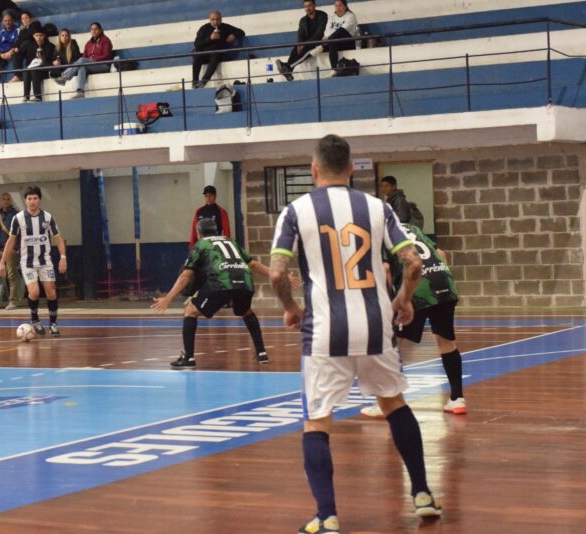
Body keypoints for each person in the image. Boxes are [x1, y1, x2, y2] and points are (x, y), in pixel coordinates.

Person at [269, 134, 441, 533]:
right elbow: (413, 263)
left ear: (313, 170)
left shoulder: (296, 210)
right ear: (351, 169)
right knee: (394, 404)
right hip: (377, 326)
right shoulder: (377, 207)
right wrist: (403, 298)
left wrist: (290, 308)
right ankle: (421, 493)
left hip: (326, 331)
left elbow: (277, 271)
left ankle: (327, 515)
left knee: (317, 421)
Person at [153, 218, 295, 367]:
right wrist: (280, 275)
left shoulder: (200, 245)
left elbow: (185, 276)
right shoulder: (230, 241)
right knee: (246, 311)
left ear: (198, 234)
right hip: (245, 281)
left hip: (220, 283)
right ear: (217, 231)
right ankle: (261, 353)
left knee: (190, 311)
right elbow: (253, 264)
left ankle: (188, 357)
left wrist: (168, 298)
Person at [362, 223, 465, 418]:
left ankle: (388, 402)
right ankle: (457, 399)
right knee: (446, 341)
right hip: (444, 282)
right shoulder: (411, 227)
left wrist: (390, 301)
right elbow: (441, 254)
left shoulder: (380, 232)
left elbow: (385, 269)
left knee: (394, 345)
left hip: (418, 288)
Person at [0, 186, 67, 336]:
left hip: (45, 261)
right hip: (27, 262)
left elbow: (58, 238)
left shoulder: (48, 217)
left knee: (51, 292)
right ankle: (34, 318)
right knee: (34, 292)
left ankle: (53, 323)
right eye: (29, 199)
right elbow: (11, 241)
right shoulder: (18, 218)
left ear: (40, 200)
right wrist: (2, 262)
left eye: (35, 198)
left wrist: (63, 257)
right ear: (25, 200)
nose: (32, 201)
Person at [54, 22, 112, 99]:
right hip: (91, 65)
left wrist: (94, 58)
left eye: (96, 29)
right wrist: (89, 60)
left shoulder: (105, 40)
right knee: (82, 67)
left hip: (103, 64)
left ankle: (65, 77)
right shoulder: (88, 43)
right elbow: (85, 56)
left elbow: (107, 55)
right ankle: (80, 92)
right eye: (92, 29)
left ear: (100, 30)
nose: (94, 31)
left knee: (81, 60)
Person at [276, 0, 328, 82]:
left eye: (309, 6)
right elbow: (300, 34)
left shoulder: (322, 15)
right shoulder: (303, 20)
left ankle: (289, 68)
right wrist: (300, 44)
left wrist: (305, 44)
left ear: (314, 5)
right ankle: (288, 69)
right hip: (307, 43)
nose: (307, 8)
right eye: (305, 6)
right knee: (296, 48)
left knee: (306, 49)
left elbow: (319, 34)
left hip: (319, 43)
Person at [191, 11, 245, 89]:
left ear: (221, 19)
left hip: (218, 54)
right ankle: (195, 82)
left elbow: (241, 32)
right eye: (213, 19)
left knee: (216, 54)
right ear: (210, 20)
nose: (215, 22)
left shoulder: (226, 27)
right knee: (197, 55)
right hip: (205, 55)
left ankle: (203, 81)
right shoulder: (204, 28)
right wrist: (210, 38)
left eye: (217, 19)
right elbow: (197, 44)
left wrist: (234, 35)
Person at [19, 25, 58, 102]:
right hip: (33, 70)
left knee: (34, 70)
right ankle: (26, 96)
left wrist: (43, 59)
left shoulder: (50, 46)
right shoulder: (30, 46)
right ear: (33, 36)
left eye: (41, 35)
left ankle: (38, 97)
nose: (39, 37)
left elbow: (52, 63)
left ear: (44, 36)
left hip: (45, 71)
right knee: (26, 71)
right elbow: (28, 63)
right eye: (36, 35)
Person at [323, 0, 358, 74]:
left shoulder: (351, 16)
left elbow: (343, 30)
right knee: (328, 40)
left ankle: (333, 68)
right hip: (334, 41)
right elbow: (327, 30)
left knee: (338, 33)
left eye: (340, 5)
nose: (337, 8)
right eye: (336, 6)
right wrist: (327, 37)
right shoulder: (332, 17)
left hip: (347, 42)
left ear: (345, 6)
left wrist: (328, 38)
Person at [8, 11, 37, 82]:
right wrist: (13, 48)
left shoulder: (35, 24)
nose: (24, 20)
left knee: (26, 42)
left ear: (31, 18)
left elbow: (30, 36)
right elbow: (19, 40)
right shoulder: (22, 29)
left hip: (34, 47)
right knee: (16, 55)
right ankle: (17, 76)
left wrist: (19, 48)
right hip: (25, 49)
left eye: (26, 18)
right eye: (22, 19)